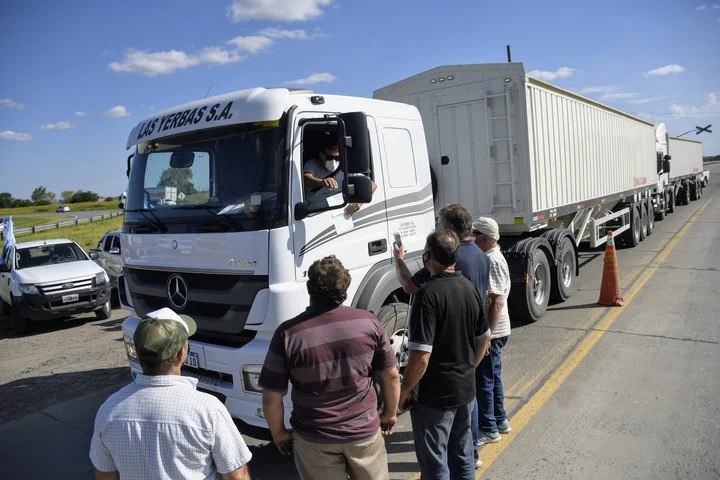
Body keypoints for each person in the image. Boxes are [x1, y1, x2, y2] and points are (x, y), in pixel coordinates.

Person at [259, 255, 400, 480]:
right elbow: (391, 376)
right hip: (362, 433)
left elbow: (271, 396)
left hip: (313, 438)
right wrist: (389, 415)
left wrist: (279, 434)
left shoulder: (288, 334)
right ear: (344, 289)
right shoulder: (369, 323)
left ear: (310, 288)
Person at [89, 307, 252, 480]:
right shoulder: (208, 410)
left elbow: (104, 476)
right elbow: (237, 476)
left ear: (137, 352)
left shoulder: (108, 411)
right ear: (182, 353)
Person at [393, 204, 490, 468]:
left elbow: (421, 357)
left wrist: (404, 391)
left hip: (437, 395)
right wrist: (470, 367)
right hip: (465, 387)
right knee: (463, 458)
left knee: (436, 464)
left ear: (427, 256)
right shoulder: (471, 284)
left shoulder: (428, 296)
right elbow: (485, 336)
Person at [473, 217, 513, 446]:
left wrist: (488, 334)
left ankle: (488, 429)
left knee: (485, 380)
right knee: (494, 378)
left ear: (487, 238)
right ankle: (500, 420)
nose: (473, 239)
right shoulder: (491, 256)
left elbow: (497, 301)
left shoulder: (492, 260)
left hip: (494, 332)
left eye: (476, 235)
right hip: (496, 331)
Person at [303, 144, 375, 215]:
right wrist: (321, 182)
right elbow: (306, 179)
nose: (333, 162)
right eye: (330, 157)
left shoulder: (344, 170)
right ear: (321, 155)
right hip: (314, 212)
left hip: (338, 213)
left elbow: (372, 185)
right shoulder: (313, 164)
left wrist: (359, 202)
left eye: (337, 158)